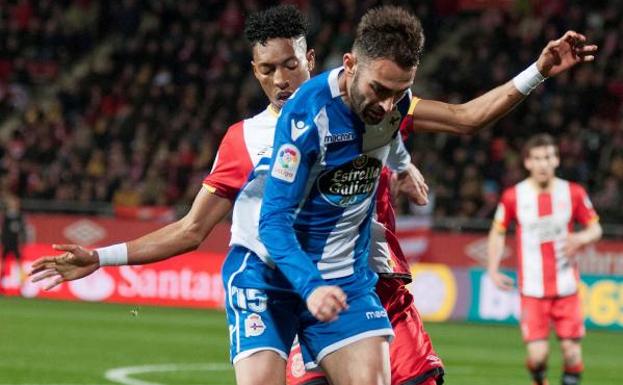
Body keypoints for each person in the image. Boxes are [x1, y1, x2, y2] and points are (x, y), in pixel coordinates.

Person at [29, 5, 597, 385]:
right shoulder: (245, 139)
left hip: (346, 274)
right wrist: (101, 257)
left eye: (292, 64)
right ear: (255, 73)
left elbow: (463, 117)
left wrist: (536, 73)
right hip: (270, 275)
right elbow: (191, 229)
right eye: (268, 70)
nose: (282, 78)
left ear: (312, 57)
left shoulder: (375, 102)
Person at [487, 134, 602, 385]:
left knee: (572, 354)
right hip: (532, 290)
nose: (543, 164)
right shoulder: (513, 196)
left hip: (566, 288)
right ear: (527, 162)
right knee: (538, 358)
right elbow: (497, 231)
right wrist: (493, 269)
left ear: (557, 160)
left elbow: (596, 228)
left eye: (548, 157)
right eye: (537, 158)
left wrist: (581, 239)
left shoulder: (573, 192)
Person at [0, 195, 27, 292]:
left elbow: (22, 231)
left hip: (15, 243)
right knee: (2, 262)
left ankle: (22, 286)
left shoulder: (20, 216)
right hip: (7, 242)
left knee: (19, 263)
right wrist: (2, 241)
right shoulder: (6, 216)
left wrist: (22, 243)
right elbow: (3, 230)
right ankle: (1, 283)